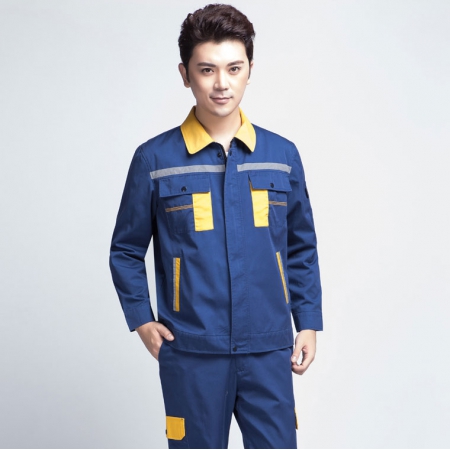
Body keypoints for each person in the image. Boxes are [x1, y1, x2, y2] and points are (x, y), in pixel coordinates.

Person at [109, 3, 323, 448]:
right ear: (185, 75)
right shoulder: (155, 160)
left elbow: (301, 247)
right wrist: (142, 320)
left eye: (233, 68)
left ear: (250, 71)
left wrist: (307, 321)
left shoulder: (281, 156)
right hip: (192, 351)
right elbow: (126, 251)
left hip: (268, 348)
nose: (221, 83)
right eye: (207, 69)